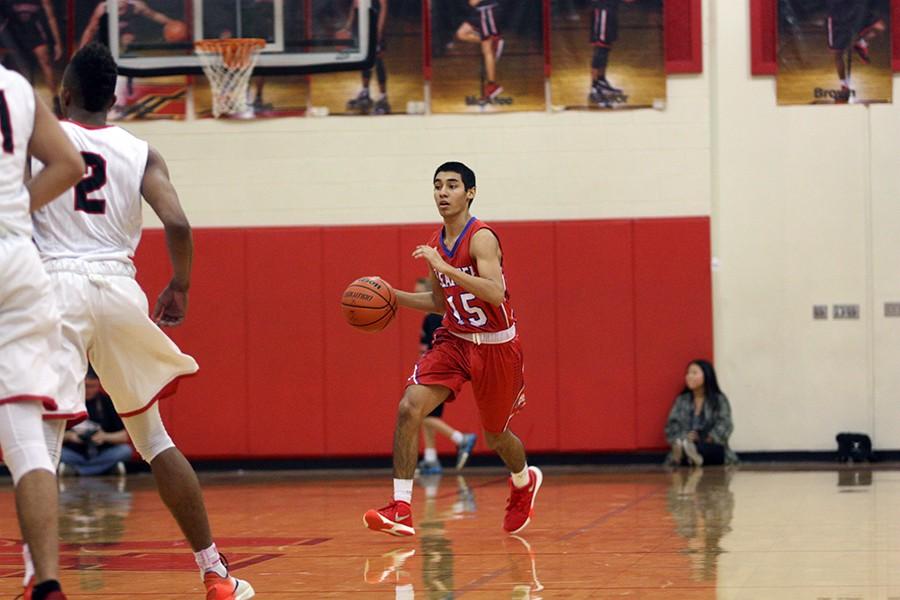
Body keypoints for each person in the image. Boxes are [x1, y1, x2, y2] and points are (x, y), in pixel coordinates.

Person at [29, 43, 254, 599]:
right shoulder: (142, 152)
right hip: (118, 290)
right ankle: (215, 573)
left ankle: (41, 581)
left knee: (44, 444)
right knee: (153, 437)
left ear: (67, 93)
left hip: (56, 285)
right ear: (113, 100)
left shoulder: (42, 140)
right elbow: (177, 221)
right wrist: (180, 284)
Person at [364, 161, 541, 537]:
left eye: (452, 186)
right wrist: (391, 295)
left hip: (497, 347)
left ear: (470, 193)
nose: (443, 192)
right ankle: (401, 507)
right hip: (455, 340)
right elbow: (442, 303)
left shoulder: (482, 238)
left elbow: (494, 292)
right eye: (438, 186)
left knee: (496, 436)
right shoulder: (434, 244)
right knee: (409, 406)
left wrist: (445, 265)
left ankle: (523, 482)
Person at [0, 62, 84, 600]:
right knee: (27, 439)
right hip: (18, 262)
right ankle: (46, 581)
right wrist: (11, 212)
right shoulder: (15, 86)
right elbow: (68, 164)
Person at [413, 276, 477, 475]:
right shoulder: (436, 316)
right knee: (427, 414)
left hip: (437, 370)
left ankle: (460, 439)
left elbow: (431, 348)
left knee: (419, 412)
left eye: (418, 292)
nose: (416, 295)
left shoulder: (432, 317)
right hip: (437, 368)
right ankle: (431, 459)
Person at [59, 367, 132, 477]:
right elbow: (50, 437)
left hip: (102, 452)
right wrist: (69, 436)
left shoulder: (107, 402)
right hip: (74, 452)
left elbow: (124, 436)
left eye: (93, 386)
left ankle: (78, 471)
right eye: (86, 386)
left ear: (99, 385)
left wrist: (104, 437)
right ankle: (105, 469)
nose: (89, 390)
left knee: (125, 451)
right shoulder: (68, 401)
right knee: (57, 453)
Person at [664, 360, 738, 467]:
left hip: (711, 445)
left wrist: (709, 437)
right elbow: (671, 426)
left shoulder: (719, 399)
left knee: (707, 450)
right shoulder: (682, 400)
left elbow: (725, 424)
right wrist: (685, 436)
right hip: (687, 442)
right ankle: (688, 455)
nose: (689, 376)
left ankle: (688, 456)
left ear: (707, 376)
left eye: (694, 373)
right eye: (688, 373)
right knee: (686, 446)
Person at [1, 0, 64, 98]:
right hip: (15, 31)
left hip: (34, 30)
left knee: (45, 63)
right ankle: (21, 98)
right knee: (17, 67)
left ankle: (55, 98)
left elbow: (50, 18)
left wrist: (57, 43)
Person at [825, 0, 885, 96]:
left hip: (854, 10)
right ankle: (844, 85)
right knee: (837, 54)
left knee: (880, 27)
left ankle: (861, 42)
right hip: (837, 16)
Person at [344, 0, 390, 115]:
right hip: (362, 26)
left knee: (378, 59)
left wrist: (378, 30)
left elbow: (384, 6)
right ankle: (365, 92)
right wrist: (348, 27)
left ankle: (383, 97)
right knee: (365, 59)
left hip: (374, 25)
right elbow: (354, 5)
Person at [587, 0, 636, 103]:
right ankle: (594, 87)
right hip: (602, 10)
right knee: (600, 48)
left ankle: (601, 81)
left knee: (605, 48)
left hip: (610, 10)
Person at [455, 0, 505, 101]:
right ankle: (495, 41)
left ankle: (492, 85)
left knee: (487, 51)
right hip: (479, 12)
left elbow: (473, 1)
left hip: (487, 11)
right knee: (461, 34)